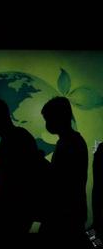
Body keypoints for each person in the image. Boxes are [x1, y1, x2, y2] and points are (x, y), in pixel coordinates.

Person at [0, 98, 42, 234]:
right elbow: (7, 170)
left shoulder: (16, 137)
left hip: (13, 213)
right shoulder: (17, 136)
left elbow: (14, 173)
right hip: (12, 212)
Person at [39, 96, 88, 237]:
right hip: (70, 212)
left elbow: (60, 179)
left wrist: (39, 161)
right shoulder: (71, 141)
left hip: (64, 214)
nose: (47, 124)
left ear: (58, 118)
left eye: (48, 119)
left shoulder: (69, 143)